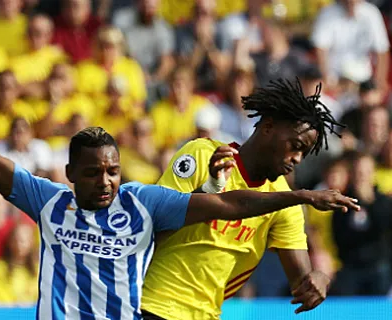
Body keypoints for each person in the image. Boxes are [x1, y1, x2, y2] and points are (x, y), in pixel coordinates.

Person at [0, 24, 359, 319]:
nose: (105, 181)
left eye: (113, 172)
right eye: (92, 173)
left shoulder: (147, 202)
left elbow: (290, 268)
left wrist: (318, 273)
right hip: (153, 306)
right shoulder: (60, 202)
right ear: (68, 173)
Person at [140, 79, 348, 320]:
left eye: (304, 153)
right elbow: (156, 226)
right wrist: (209, 189)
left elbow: (301, 283)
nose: (297, 159)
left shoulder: (284, 201)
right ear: (268, 126)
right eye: (295, 145)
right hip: (151, 304)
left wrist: (319, 278)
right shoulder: (202, 154)